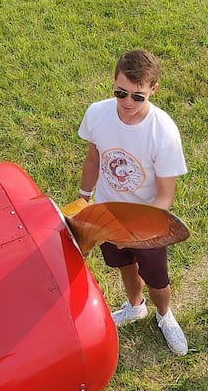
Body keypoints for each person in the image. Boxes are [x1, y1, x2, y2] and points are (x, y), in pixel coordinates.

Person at [78, 49, 189, 355]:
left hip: (147, 220)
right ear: (113, 82)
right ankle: (134, 306)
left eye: (137, 96)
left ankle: (164, 315)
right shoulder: (97, 113)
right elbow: (93, 157)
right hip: (108, 212)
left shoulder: (163, 132)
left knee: (157, 277)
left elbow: (166, 193)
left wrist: (138, 231)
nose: (127, 102)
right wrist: (83, 197)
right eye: (120, 92)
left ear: (154, 90)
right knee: (123, 264)